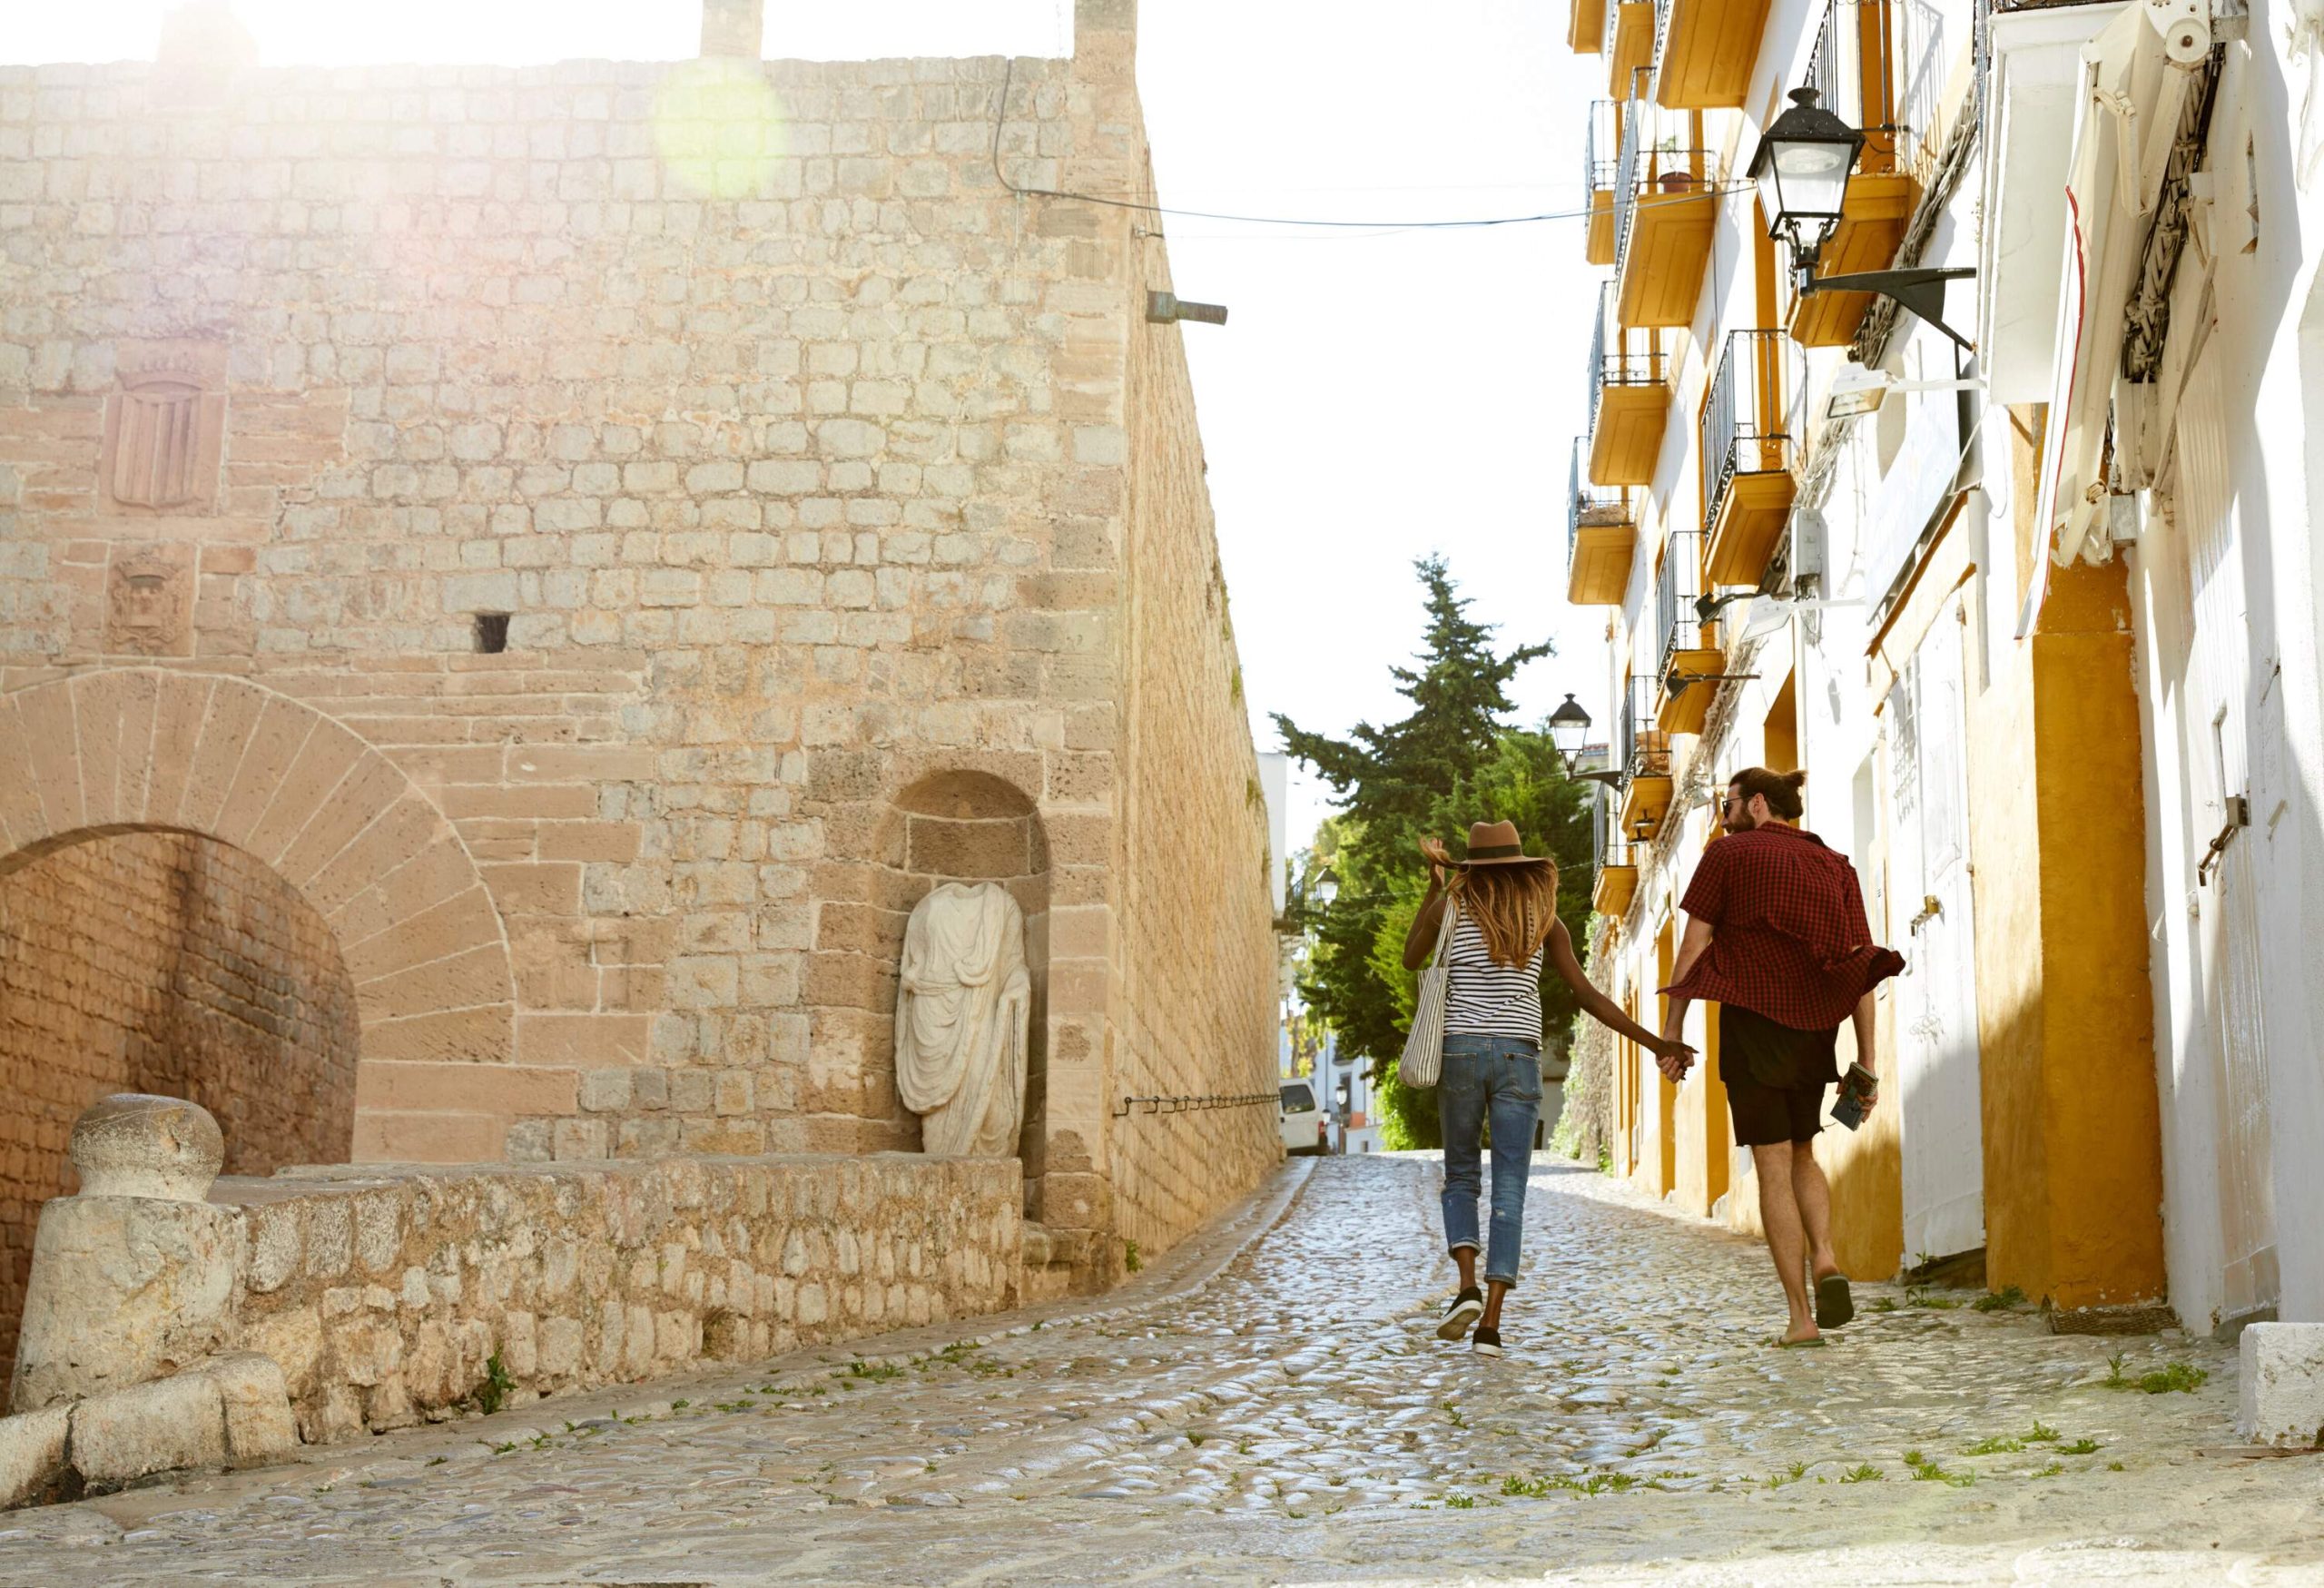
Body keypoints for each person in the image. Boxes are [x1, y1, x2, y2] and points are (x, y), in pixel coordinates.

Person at [1403, 819, 1695, 1358]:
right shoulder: (1545, 922)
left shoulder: (1451, 907)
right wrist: (1656, 1043)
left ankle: (1465, 1286)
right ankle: (1490, 1324)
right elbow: (1587, 995)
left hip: (1462, 1050)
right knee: (1510, 1189)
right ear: (1520, 866)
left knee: (1462, 1175)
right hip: (1519, 1054)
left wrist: (1433, 887)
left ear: (1471, 868)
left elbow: (1410, 958)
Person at [1659, 767, 1905, 1346]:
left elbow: (1694, 945)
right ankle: (1826, 1256)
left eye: (1729, 804)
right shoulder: (1836, 866)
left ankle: (1800, 1318)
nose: (1724, 815)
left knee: (1771, 1168)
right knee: (1803, 1154)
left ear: (1759, 804)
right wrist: (1865, 1060)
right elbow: (1858, 964)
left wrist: (1673, 1029)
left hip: (1754, 1024)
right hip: (1815, 1032)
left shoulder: (1729, 856)